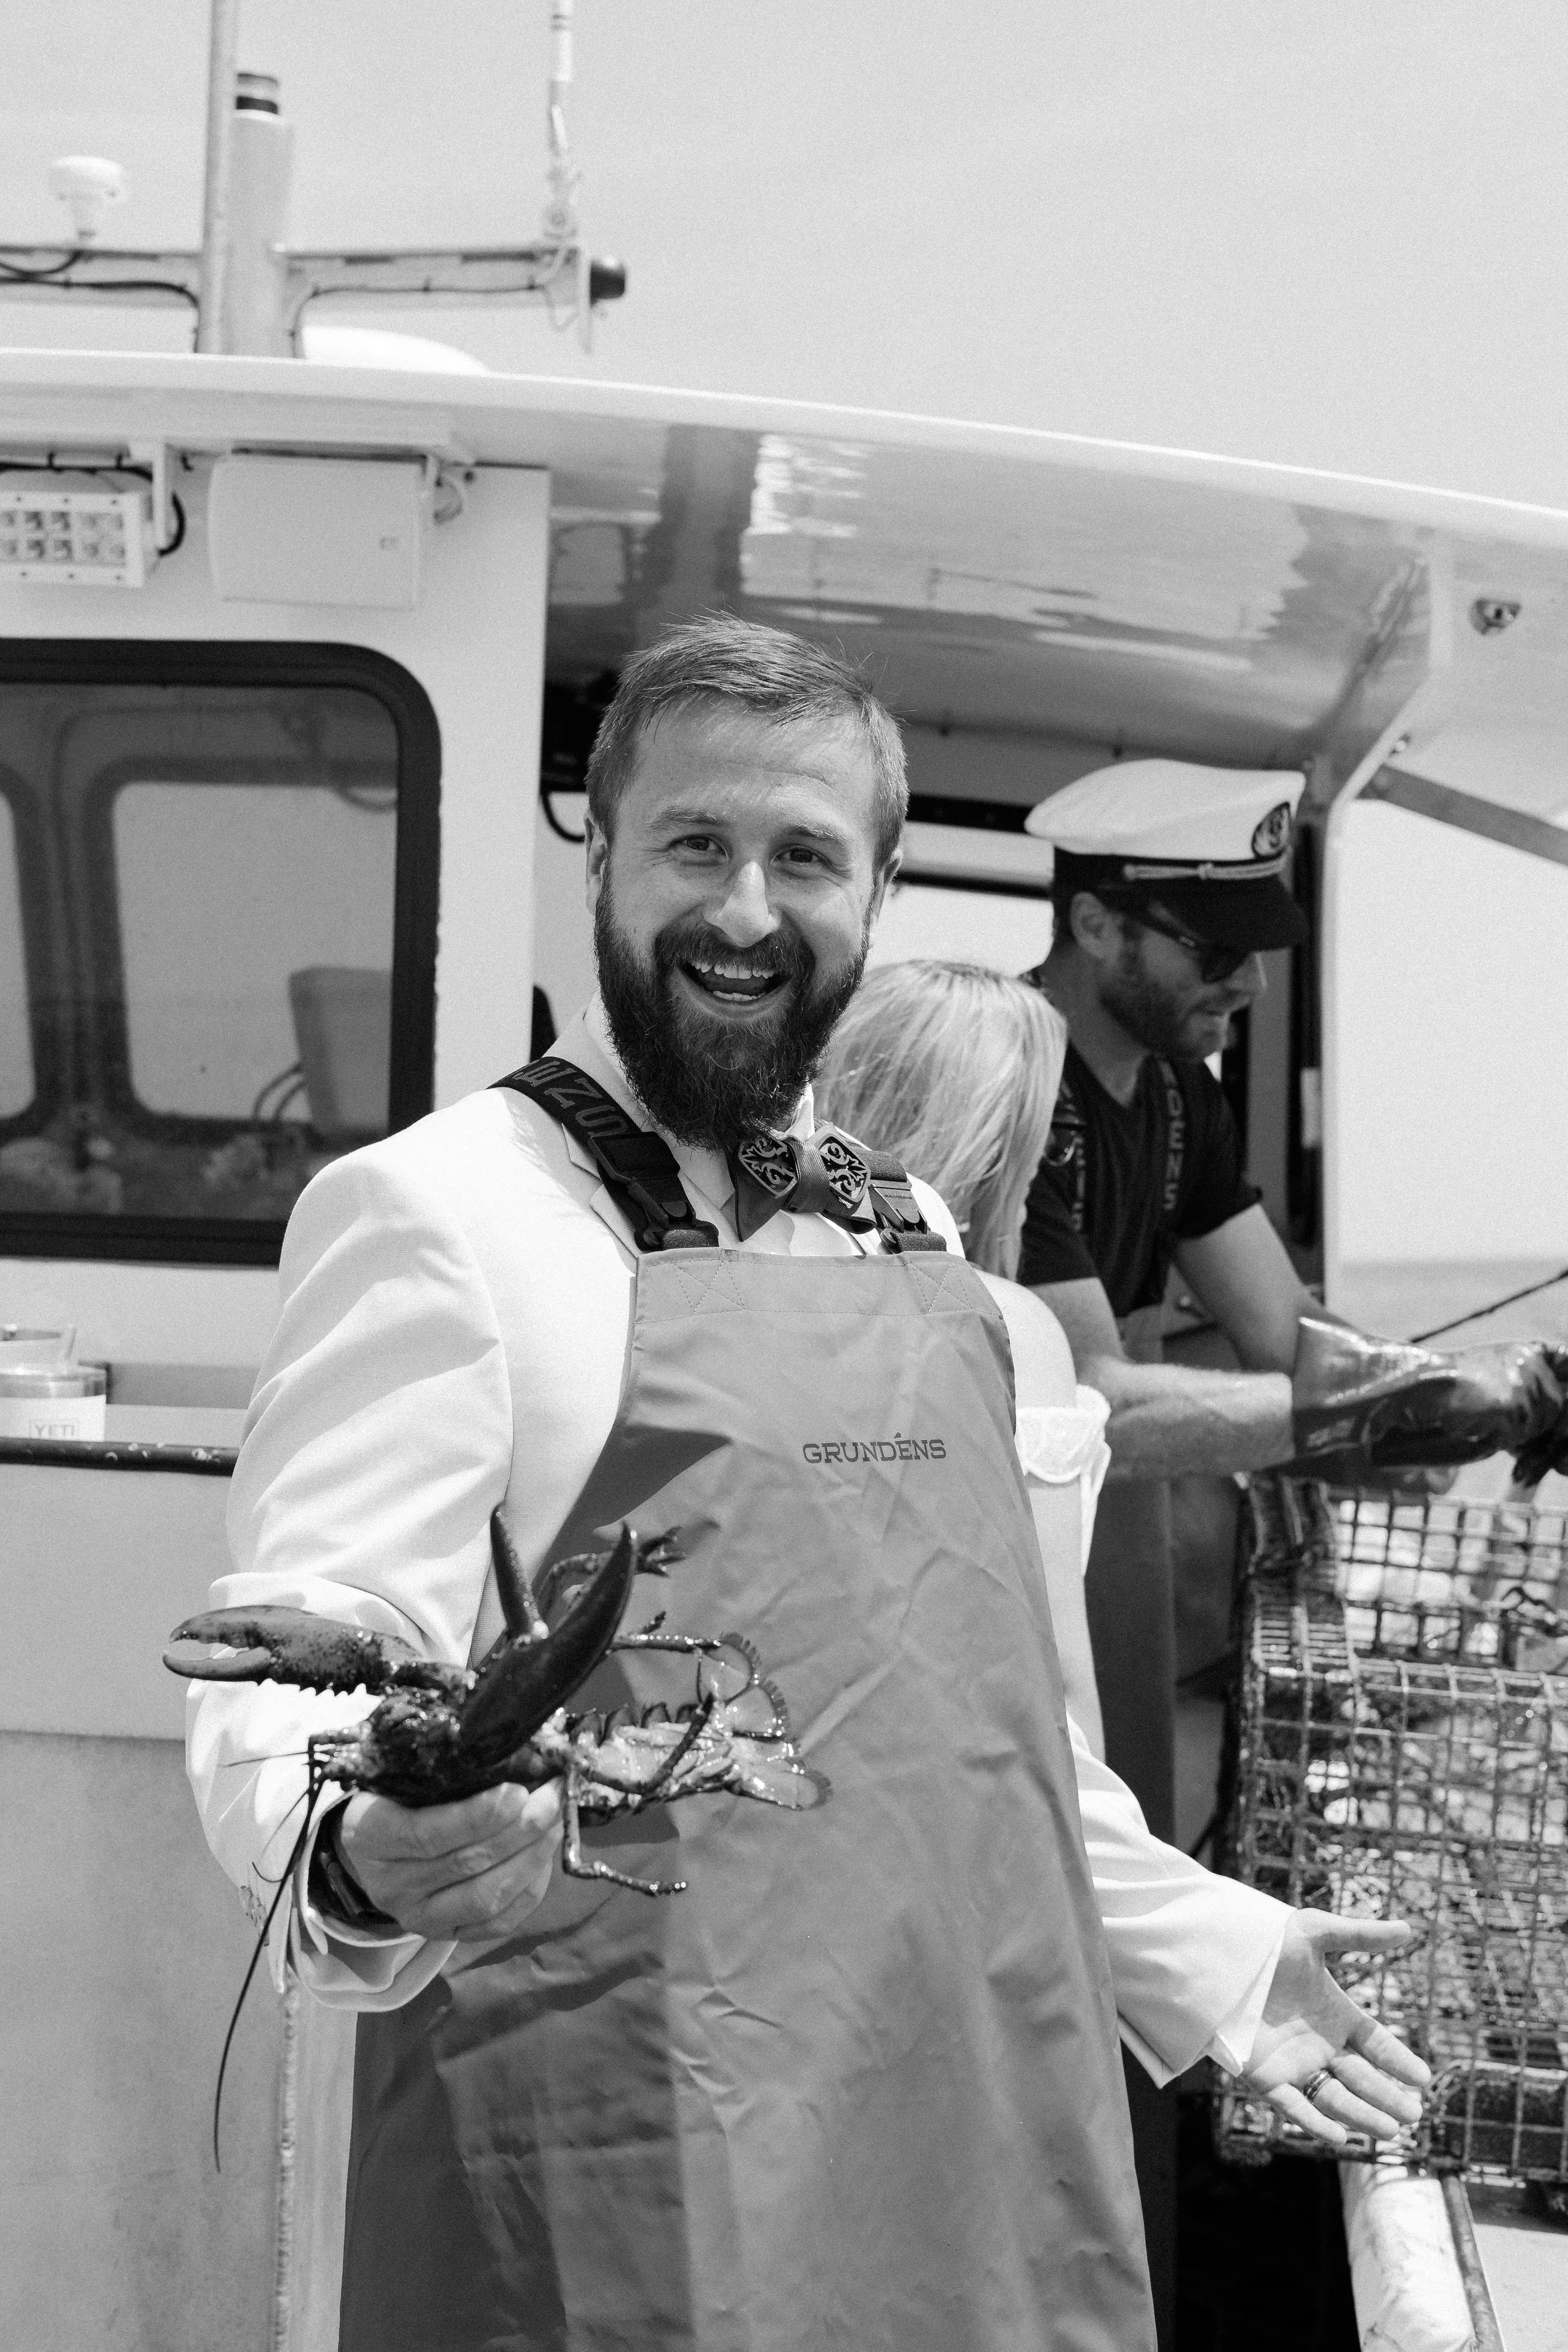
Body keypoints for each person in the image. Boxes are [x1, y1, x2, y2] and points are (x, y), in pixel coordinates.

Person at [186, 620, 1429, 2352]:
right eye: (695, 844)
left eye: (805, 857)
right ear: (604, 860)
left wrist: (1216, 1951)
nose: (746, 909)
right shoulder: (438, 1214)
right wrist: (362, 1854)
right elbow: (302, 1666)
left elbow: (985, 1734)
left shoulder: (905, 1230)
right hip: (615, 2189)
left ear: (880, 891)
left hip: (949, 2163)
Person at [814, 958, 1108, 1754]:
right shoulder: (1006, 1326)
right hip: (954, 1771)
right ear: (990, 1148)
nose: (1045, 1169)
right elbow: (1055, 1680)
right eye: (1044, 1144)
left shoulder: (755, 1292)